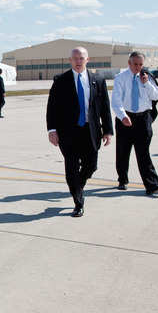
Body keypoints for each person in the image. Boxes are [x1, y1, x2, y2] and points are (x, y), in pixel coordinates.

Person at [46, 47, 113, 217]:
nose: (78, 61)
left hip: (91, 131)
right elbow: (52, 107)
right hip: (68, 133)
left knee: (91, 165)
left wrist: (108, 130)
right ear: (70, 60)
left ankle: (78, 185)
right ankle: (78, 203)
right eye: (75, 58)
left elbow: (104, 106)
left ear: (87, 59)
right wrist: (52, 130)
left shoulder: (97, 79)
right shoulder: (61, 80)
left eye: (81, 58)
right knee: (71, 169)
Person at [112, 52, 158, 195]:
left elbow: (157, 95)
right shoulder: (120, 78)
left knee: (143, 153)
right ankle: (122, 179)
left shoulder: (147, 77)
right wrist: (123, 116)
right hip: (125, 118)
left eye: (140, 64)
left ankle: (151, 185)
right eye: (135, 64)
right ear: (129, 63)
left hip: (143, 119)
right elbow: (116, 101)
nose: (138, 67)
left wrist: (146, 83)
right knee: (123, 151)